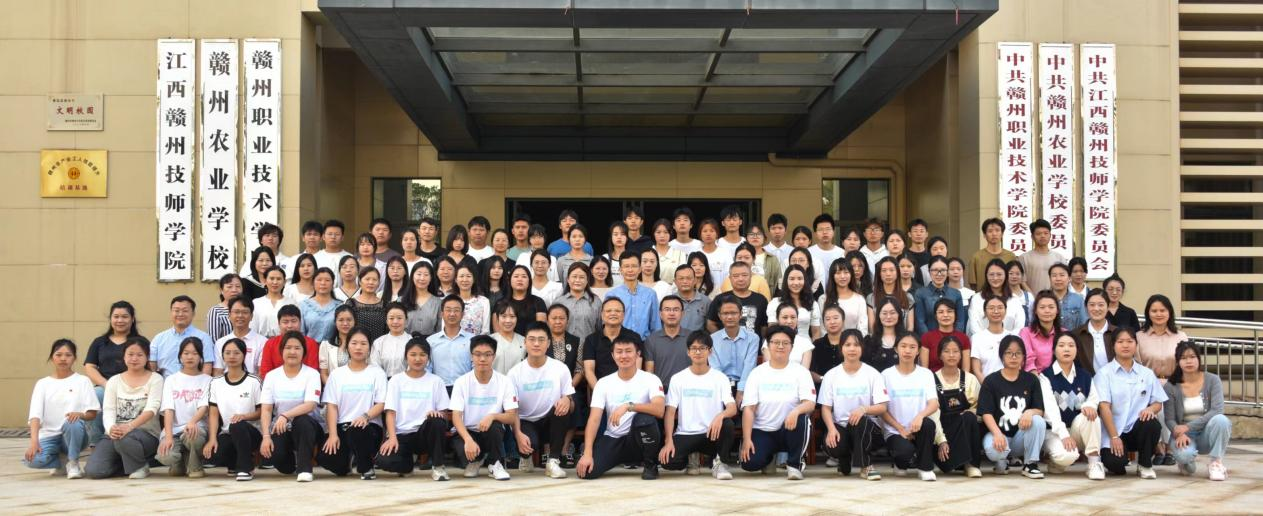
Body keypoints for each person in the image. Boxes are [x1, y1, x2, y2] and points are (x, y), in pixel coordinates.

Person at [577, 335, 665, 480]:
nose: (623, 356)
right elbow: (594, 419)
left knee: (644, 419)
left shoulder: (651, 379)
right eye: (619, 352)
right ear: (613, 355)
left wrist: (629, 406)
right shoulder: (603, 383)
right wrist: (587, 453)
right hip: (613, 438)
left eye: (628, 351)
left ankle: (650, 464)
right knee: (586, 472)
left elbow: (659, 410)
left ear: (638, 354)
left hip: (637, 441)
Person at [738, 325, 817, 480]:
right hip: (763, 429)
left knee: (803, 419)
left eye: (785, 343)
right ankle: (768, 459)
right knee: (749, 463)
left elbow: (810, 403)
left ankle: (794, 464)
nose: (780, 346)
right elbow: (749, 409)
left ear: (792, 347)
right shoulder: (757, 373)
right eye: (775, 342)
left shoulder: (801, 372)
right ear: (768, 345)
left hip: (789, 428)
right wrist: (747, 439)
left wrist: (795, 411)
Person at [659, 331, 737, 480]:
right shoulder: (678, 378)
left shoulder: (720, 378)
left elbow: (732, 408)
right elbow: (670, 412)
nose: (698, 352)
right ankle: (691, 458)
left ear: (710, 351)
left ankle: (720, 462)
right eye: (694, 348)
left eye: (702, 348)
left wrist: (720, 416)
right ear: (688, 352)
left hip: (711, 433)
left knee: (727, 424)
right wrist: (668, 440)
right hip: (686, 433)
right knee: (668, 462)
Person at [451, 335, 530, 480]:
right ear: (471, 356)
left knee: (495, 426)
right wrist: (468, 440)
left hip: (491, 430)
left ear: (494, 356)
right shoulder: (461, 382)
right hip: (468, 431)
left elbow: (511, 416)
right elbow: (456, 416)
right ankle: (475, 461)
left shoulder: (505, 382)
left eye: (487, 354)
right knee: (463, 449)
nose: (482, 359)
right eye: (478, 354)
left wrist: (492, 416)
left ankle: (495, 464)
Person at [85, 337, 163, 479]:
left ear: (147, 357)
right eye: (130, 354)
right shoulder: (114, 381)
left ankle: (140, 466)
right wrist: (111, 428)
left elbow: (152, 409)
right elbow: (109, 410)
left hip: (145, 434)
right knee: (94, 471)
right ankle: (131, 464)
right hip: (117, 433)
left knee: (125, 438)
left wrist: (129, 426)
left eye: (139, 355)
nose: (134, 358)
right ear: (124, 356)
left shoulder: (156, 379)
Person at [376, 337, 452, 480]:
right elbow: (390, 413)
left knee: (437, 421)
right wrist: (392, 437)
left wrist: (437, 414)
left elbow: (444, 413)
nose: (418, 359)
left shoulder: (436, 381)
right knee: (384, 460)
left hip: (424, 435)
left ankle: (438, 466)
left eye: (422, 355)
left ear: (428, 358)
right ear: (406, 357)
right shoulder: (396, 380)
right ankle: (407, 465)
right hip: (402, 435)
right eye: (413, 354)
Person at [507, 322, 577, 478]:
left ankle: (553, 461)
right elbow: (512, 410)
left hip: (549, 422)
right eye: (532, 339)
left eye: (541, 339)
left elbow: (571, 406)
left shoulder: (560, 368)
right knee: (528, 443)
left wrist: (567, 400)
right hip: (525, 422)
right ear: (525, 342)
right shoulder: (514, 373)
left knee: (563, 409)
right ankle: (525, 458)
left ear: (548, 343)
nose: (536, 344)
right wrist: (517, 434)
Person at [1096, 327, 1167, 479]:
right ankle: (1120, 459)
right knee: (1115, 464)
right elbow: (1104, 407)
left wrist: (1150, 409)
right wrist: (1114, 437)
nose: (1125, 345)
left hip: (1138, 428)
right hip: (1114, 431)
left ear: (1136, 345)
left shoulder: (1146, 373)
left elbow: (1158, 402)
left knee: (1152, 424)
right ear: (1113, 345)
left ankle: (1145, 464)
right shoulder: (1104, 373)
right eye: (1120, 342)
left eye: (1130, 341)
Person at [317, 327, 387, 480]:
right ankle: (347, 461)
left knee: (357, 431)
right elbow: (332, 406)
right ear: (347, 346)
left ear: (369, 347)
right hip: (343, 427)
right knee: (326, 459)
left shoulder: (377, 373)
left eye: (363, 343)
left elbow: (381, 403)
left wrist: (365, 416)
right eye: (354, 343)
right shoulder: (337, 374)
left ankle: (366, 467)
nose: (358, 347)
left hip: (368, 427)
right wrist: (333, 434)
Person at [818, 329, 888, 480]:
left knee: (860, 421)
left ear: (862, 348)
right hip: (841, 427)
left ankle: (866, 466)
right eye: (847, 345)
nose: (852, 349)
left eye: (856, 345)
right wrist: (831, 429)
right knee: (833, 445)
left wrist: (863, 409)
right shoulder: (831, 375)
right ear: (841, 348)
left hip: (867, 429)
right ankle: (844, 458)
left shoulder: (872, 374)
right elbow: (826, 408)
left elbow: (882, 406)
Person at [24, 339, 99, 479]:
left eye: (68, 355)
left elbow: (92, 413)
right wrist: (34, 442)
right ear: (52, 357)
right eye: (58, 355)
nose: (63, 358)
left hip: (74, 434)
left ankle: (73, 462)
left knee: (72, 422)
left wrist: (80, 414)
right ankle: (61, 461)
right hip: (49, 436)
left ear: (74, 358)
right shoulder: (42, 384)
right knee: (32, 460)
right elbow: (35, 415)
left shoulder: (82, 381)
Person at [259, 331, 326, 482]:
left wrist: (285, 415)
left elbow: (310, 405)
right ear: (281, 351)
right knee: (279, 459)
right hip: (281, 427)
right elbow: (266, 409)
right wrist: (266, 436)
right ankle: (292, 463)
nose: (292, 352)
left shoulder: (312, 374)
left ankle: (305, 469)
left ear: (304, 352)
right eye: (288, 348)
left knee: (302, 420)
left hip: (309, 427)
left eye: (297, 348)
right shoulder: (272, 376)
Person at [979, 335, 1048, 478]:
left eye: (1018, 353)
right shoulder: (991, 381)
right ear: (1002, 356)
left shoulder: (1031, 380)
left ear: (1023, 357)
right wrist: (997, 434)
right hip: (998, 434)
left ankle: (1030, 464)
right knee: (994, 452)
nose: (1013, 357)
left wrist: (1030, 412)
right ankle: (1001, 461)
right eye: (1009, 353)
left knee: (1038, 421)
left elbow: (1040, 410)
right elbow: (986, 412)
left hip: (1020, 437)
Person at [1038, 332, 1105, 480]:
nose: (1066, 349)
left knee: (1091, 415)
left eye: (1071, 345)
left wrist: (1089, 405)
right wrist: (1064, 435)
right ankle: (1056, 462)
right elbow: (1050, 411)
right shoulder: (1046, 376)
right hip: (1054, 432)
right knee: (1067, 456)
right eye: (1061, 345)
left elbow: (1094, 399)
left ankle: (1094, 463)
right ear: (1054, 350)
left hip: (1076, 430)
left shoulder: (1085, 376)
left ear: (1077, 349)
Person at [1164, 341, 1231, 481]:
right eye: (1183, 358)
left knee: (1221, 420)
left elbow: (1217, 410)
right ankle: (1185, 462)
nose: (1188, 361)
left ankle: (1216, 463)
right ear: (1178, 362)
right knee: (1186, 462)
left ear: (1199, 359)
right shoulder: (1170, 386)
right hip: (1183, 436)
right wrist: (1179, 432)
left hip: (1206, 433)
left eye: (1192, 357)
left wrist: (1187, 427)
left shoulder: (1213, 380)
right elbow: (1169, 419)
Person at [878, 334, 941, 481]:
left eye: (912, 347)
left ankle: (925, 468)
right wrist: (900, 428)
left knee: (928, 424)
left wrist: (920, 416)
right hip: (895, 430)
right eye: (903, 346)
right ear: (896, 349)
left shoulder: (925, 374)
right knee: (904, 453)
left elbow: (934, 403)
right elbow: (882, 409)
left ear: (918, 351)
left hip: (918, 427)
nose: (907, 351)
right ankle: (900, 463)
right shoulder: (886, 375)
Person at [1136, 294, 1188, 464]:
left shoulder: (1180, 336)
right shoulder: (1139, 336)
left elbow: (1185, 362)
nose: (1158, 314)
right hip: (1147, 384)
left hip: (1174, 383)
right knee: (1156, 410)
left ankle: (1170, 449)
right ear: (1148, 313)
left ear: (1169, 312)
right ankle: (1158, 448)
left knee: (1170, 410)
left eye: (1162, 310)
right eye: (1154, 311)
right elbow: (1137, 364)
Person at [202, 338, 263, 481]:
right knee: (213, 455)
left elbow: (261, 412)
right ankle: (233, 464)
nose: (232, 356)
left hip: (251, 432)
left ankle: (245, 468)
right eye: (227, 353)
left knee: (237, 426)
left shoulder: (254, 381)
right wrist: (212, 439)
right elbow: (213, 415)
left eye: (236, 353)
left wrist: (244, 416)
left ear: (244, 355)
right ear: (222, 356)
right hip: (227, 432)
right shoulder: (216, 383)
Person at [84, 301, 140, 444]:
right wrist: (106, 384)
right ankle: (96, 443)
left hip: (132, 388)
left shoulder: (139, 342)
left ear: (132, 319)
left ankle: (128, 440)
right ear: (111, 319)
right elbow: (89, 366)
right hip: (105, 386)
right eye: (116, 316)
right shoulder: (99, 342)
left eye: (124, 316)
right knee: (95, 396)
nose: (120, 320)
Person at [156, 338, 212, 478]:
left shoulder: (208, 380)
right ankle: (179, 462)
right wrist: (168, 437)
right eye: (186, 353)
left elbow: (204, 407)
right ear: (180, 356)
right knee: (166, 456)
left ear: (201, 357)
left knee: (194, 436)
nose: (190, 357)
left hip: (197, 428)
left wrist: (192, 422)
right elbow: (168, 410)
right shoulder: (171, 380)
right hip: (174, 430)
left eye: (194, 353)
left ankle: (195, 466)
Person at [932, 336, 983, 477]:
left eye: (955, 351)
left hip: (965, 430)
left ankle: (971, 464)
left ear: (961, 355)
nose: (951, 355)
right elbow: (931, 413)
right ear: (939, 355)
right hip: (942, 433)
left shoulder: (970, 379)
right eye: (946, 351)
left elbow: (981, 409)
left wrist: (971, 412)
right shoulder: (931, 379)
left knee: (969, 417)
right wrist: (941, 440)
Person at [708, 297, 761, 406]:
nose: (729, 317)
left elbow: (749, 365)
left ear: (741, 314)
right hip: (720, 386)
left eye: (733, 313)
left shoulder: (753, 338)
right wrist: (727, 394)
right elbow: (716, 369)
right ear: (719, 316)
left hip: (746, 385)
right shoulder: (712, 339)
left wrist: (741, 391)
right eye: (725, 313)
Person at [150, 296, 215, 377]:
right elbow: (152, 365)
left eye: (185, 311)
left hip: (194, 383)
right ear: (171, 312)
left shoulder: (204, 338)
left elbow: (207, 365)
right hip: (165, 383)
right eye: (176, 310)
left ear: (193, 313)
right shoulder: (159, 338)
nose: (180, 314)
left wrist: (202, 383)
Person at [582, 298, 640, 386]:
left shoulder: (634, 337)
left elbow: (637, 368)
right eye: (608, 311)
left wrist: (629, 389)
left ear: (623, 315)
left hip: (629, 388)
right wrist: (600, 391)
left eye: (617, 311)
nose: (613, 313)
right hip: (600, 388)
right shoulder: (591, 339)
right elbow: (589, 371)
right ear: (602, 315)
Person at [608, 251, 661, 340]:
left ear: (640, 269)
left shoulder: (650, 294)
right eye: (626, 266)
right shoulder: (612, 294)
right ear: (620, 270)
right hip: (619, 343)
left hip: (644, 343)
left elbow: (655, 325)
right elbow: (608, 325)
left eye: (634, 266)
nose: (630, 270)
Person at [258, 305, 321, 379]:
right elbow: (265, 372)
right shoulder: (270, 344)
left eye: (294, 321)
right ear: (279, 323)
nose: (290, 326)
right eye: (285, 322)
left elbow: (313, 372)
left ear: (300, 322)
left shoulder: (311, 343)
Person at [705, 262, 769, 335]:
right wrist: (721, 338)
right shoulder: (720, 299)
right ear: (730, 278)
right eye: (736, 276)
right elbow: (710, 323)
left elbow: (764, 326)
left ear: (750, 276)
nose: (740, 279)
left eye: (744, 275)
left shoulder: (761, 299)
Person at [967, 259, 1026, 335]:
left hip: (1009, 341)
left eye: (999, 274)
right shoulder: (976, 299)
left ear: (1005, 275)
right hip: (982, 341)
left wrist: (1007, 340)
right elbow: (974, 325)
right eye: (991, 274)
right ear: (986, 276)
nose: (995, 278)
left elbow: (1019, 326)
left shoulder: (1015, 300)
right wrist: (985, 339)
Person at [427, 295, 476, 387]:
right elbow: (427, 369)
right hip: (439, 388)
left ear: (462, 314)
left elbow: (475, 368)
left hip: (465, 388)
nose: (452, 314)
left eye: (456, 310)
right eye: (448, 310)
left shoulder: (472, 340)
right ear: (442, 314)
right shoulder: (431, 341)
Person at [643, 295, 690, 390]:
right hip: (662, 392)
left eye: (676, 309)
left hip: (688, 391)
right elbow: (649, 373)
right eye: (667, 309)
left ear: (682, 313)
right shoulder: (651, 340)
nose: (671, 313)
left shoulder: (692, 338)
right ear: (660, 314)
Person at [913, 257, 966, 336]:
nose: (939, 274)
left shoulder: (956, 293)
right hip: (929, 340)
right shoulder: (921, 293)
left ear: (947, 272)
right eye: (935, 270)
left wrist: (953, 339)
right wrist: (930, 339)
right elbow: (920, 321)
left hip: (953, 340)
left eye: (943, 270)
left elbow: (960, 321)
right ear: (929, 272)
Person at [215, 297, 266, 376]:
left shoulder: (262, 342)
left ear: (251, 316)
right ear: (229, 315)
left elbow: (261, 372)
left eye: (245, 312)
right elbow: (218, 371)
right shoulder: (220, 342)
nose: (240, 315)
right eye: (236, 312)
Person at [1071, 289, 1117, 373]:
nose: (1096, 309)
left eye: (1101, 305)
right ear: (1086, 307)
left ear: (1108, 307)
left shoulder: (1118, 333)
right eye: (1092, 305)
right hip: (1086, 380)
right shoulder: (1076, 335)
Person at [919, 299, 971, 372]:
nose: (945, 315)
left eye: (949, 311)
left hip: (958, 378)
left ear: (955, 315)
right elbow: (924, 370)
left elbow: (966, 369)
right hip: (933, 378)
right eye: (941, 312)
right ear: (936, 316)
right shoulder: (927, 337)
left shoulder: (964, 338)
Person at [822, 259, 872, 337]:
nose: (842, 276)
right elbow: (822, 328)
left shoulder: (859, 299)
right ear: (832, 276)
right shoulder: (824, 299)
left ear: (851, 274)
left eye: (846, 272)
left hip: (854, 342)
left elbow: (863, 328)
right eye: (838, 273)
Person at [1016, 219, 1065, 294]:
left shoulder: (1059, 258)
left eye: (1046, 233)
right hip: (1031, 299)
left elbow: (1064, 280)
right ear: (1032, 237)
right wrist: (1032, 298)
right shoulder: (1023, 258)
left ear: (1050, 235)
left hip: (1055, 299)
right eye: (1038, 234)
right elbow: (1022, 282)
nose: (1042, 236)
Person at [970, 297, 1013, 380]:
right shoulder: (977, 338)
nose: (996, 311)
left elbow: (1018, 366)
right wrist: (987, 386)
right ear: (985, 312)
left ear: (1005, 311)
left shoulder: (1013, 337)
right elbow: (976, 370)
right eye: (991, 308)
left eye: (1000, 308)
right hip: (985, 385)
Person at [968, 218, 1017, 290]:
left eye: (997, 230)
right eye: (990, 231)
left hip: (1006, 295)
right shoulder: (976, 257)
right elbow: (973, 284)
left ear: (1002, 234)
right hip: (983, 295)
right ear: (984, 235)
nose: (994, 234)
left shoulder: (1011, 256)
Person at [555, 262, 602, 338]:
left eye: (582, 277)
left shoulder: (595, 302)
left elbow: (600, 328)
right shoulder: (559, 302)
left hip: (588, 344)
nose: (577, 280)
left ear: (587, 280)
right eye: (574, 276)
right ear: (568, 279)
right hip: (564, 344)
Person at [868, 257, 914, 332]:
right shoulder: (871, 298)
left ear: (897, 272)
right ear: (879, 274)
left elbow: (910, 327)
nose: (888, 274)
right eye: (884, 270)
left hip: (902, 337)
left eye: (891, 270)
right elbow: (872, 328)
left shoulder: (907, 297)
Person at [1021, 291, 1063, 373]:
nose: (1047, 311)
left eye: (1051, 307)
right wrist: (1036, 379)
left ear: (1057, 310)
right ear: (1035, 311)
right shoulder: (1026, 333)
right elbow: (1028, 360)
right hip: (1034, 377)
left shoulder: (1064, 333)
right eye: (1042, 307)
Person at [251, 266, 297, 338]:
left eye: (279, 279)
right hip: (261, 342)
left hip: (285, 341)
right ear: (265, 281)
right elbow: (252, 328)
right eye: (272, 278)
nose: (275, 282)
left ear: (284, 282)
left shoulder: (292, 303)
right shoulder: (256, 303)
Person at [300, 268, 343, 344]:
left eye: (327, 280)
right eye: (319, 280)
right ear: (313, 282)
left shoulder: (340, 306)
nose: (323, 283)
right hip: (309, 348)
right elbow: (301, 332)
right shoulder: (303, 305)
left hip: (332, 348)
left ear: (333, 284)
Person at [864, 298, 905, 373]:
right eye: (884, 313)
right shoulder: (869, 341)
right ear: (878, 315)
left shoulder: (906, 339)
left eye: (892, 313)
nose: (888, 317)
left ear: (899, 315)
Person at [371, 303, 412, 377]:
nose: (395, 321)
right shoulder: (378, 342)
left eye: (399, 318)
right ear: (386, 321)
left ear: (406, 320)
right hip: (383, 381)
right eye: (391, 318)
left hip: (406, 381)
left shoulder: (411, 341)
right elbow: (375, 365)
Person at [504, 265, 548, 335]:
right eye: (516, 276)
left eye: (524, 276)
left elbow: (541, 329)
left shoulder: (538, 302)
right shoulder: (501, 302)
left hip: (532, 340)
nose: (520, 279)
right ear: (509, 281)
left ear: (529, 281)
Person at [401, 261, 442, 336]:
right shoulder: (401, 300)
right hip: (406, 341)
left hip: (430, 342)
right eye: (419, 274)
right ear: (412, 276)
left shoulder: (438, 302)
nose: (422, 278)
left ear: (431, 278)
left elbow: (439, 329)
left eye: (426, 275)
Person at [319, 305, 357, 383]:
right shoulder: (326, 345)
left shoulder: (362, 344)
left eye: (349, 320)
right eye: (341, 320)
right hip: (334, 387)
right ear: (335, 322)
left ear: (355, 321)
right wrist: (334, 388)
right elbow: (324, 374)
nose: (345, 323)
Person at [808, 214, 845, 292]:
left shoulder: (842, 253)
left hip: (837, 293)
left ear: (833, 232)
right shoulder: (808, 253)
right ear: (815, 233)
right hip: (814, 294)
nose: (825, 232)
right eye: (820, 229)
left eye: (828, 229)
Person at [810, 306, 846, 383]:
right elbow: (811, 371)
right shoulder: (817, 344)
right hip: (822, 386)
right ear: (823, 323)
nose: (832, 322)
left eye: (835, 318)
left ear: (843, 320)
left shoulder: (849, 343)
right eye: (828, 319)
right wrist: (824, 379)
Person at [453, 262, 491, 335]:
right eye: (461, 276)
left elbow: (485, 331)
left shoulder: (484, 301)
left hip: (478, 341)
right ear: (456, 279)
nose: (465, 280)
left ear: (474, 279)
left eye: (468, 276)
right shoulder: (450, 301)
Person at [490, 300, 526, 375]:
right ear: (497, 318)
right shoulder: (489, 340)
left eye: (512, 316)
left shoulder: (524, 341)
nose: (508, 321)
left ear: (517, 319)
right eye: (504, 316)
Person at [744, 224, 782, 294]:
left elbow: (779, 282)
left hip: (767, 296)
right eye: (751, 234)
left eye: (758, 234)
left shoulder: (772, 259)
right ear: (746, 239)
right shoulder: (741, 257)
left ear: (764, 238)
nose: (755, 237)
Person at [673, 265, 711, 332]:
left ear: (695, 280)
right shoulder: (670, 301)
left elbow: (710, 325)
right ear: (675, 281)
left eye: (689, 278)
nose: (685, 281)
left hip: (698, 338)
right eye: (681, 278)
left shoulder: (706, 301)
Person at [1049, 263, 1086, 329]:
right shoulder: (1043, 299)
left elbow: (1084, 324)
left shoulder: (1078, 299)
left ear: (1069, 278)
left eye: (1062, 275)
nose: (1058, 279)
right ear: (1050, 279)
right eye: (1054, 276)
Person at [650, 219, 686, 286]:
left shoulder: (680, 254)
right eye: (658, 232)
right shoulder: (647, 254)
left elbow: (683, 276)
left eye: (666, 232)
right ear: (653, 234)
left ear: (670, 234)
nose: (662, 235)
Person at [208, 273, 243, 341]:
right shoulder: (216, 311)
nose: (234, 290)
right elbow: (213, 340)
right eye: (229, 287)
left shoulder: (248, 309)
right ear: (221, 290)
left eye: (238, 286)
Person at [698, 218, 729, 288]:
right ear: (700, 235)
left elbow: (729, 275)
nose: (708, 234)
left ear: (717, 234)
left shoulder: (725, 253)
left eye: (712, 231)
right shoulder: (696, 254)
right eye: (705, 231)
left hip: (722, 292)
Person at [603, 221, 630, 285]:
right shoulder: (605, 258)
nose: (619, 237)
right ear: (611, 237)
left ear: (627, 238)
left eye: (622, 234)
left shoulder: (632, 258)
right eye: (615, 234)